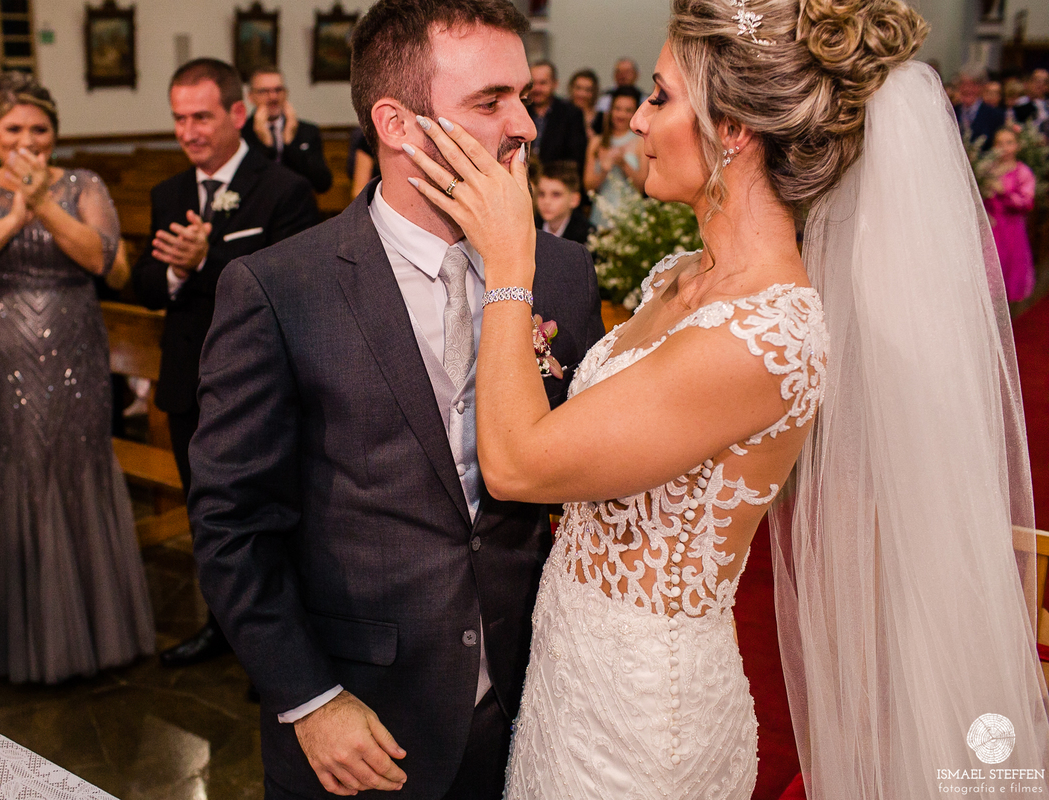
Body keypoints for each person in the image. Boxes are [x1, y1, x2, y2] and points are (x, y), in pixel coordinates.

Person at [407, 0, 1049, 797]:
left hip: (641, 723)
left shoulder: (761, 335)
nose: (637, 121)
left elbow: (515, 465)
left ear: (736, 128)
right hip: (573, 675)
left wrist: (509, 260)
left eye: (661, 96)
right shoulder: (684, 277)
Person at [187, 0, 606, 796]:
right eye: (489, 102)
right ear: (398, 124)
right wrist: (308, 699)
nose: (524, 125)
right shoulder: (281, 289)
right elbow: (231, 522)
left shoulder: (562, 275)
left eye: (524, 95)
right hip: (362, 714)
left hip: (530, 702)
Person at [0, 73, 154, 684]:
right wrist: (14, 215)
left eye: (40, 128)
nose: (29, 140)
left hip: (75, 344)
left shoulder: (84, 185)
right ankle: (27, 638)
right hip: (2, 350)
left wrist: (46, 204)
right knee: (20, 464)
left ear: (54, 132)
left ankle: (98, 632)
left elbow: (109, 264)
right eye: (14, 130)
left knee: (78, 460)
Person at [131, 58, 319, 669]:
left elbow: (291, 289)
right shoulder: (170, 193)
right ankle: (223, 627)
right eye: (179, 119)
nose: (188, 132)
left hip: (269, 383)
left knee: (272, 514)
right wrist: (175, 270)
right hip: (192, 381)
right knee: (210, 518)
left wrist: (205, 262)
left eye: (201, 117)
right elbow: (142, 285)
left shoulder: (283, 190)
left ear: (237, 114)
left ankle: (280, 650)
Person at [242, 65, 334, 194]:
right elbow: (246, 181)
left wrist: (291, 143)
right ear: (250, 97)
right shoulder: (241, 133)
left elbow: (323, 184)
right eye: (264, 91)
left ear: (286, 93)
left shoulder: (307, 131)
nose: (273, 97)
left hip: (297, 206)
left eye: (278, 90)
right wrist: (266, 146)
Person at [985, 126, 1038, 302]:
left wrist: (1004, 193)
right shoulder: (987, 170)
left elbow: (1027, 202)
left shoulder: (1022, 172)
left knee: (1009, 273)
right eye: (1000, 143)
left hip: (1011, 231)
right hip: (990, 230)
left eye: (1009, 143)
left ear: (1017, 146)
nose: (1004, 148)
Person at [585, 85, 648, 229]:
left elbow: (642, 187)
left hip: (632, 215)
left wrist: (623, 163)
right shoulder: (597, 141)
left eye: (628, 110)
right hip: (602, 215)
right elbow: (588, 186)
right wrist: (604, 170)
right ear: (610, 110)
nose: (621, 114)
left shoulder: (641, 142)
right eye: (617, 109)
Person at [525, 60, 588, 180]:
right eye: (533, 83)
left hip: (558, 184)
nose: (537, 88)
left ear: (555, 84)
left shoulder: (571, 114)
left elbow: (575, 159)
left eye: (543, 83)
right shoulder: (521, 110)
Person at [534, 160, 591, 245]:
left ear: (574, 200)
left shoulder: (588, 237)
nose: (546, 201)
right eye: (541, 194)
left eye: (556, 195)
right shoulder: (530, 227)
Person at [955, 67, 1005, 150]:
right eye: (963, 84)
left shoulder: (995, 115)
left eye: (973, 85)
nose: (967, 89)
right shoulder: (950, 112)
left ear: (982, 87)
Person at [567, 68, 603, 138]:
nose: (582, 94)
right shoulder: (561, 114)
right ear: (571, 88)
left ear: (594, 92)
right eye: (578, 88)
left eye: (587, 90)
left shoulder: (603, 119)